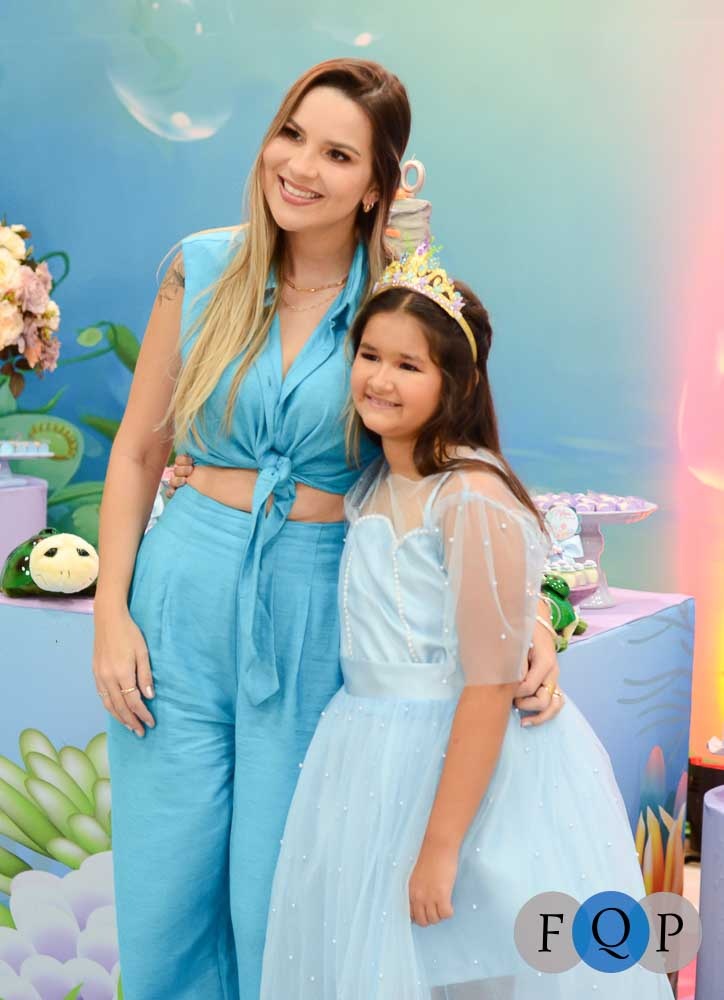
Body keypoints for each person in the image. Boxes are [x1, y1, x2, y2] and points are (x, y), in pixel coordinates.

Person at [92, 59, 562, 1000]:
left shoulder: (398, 303)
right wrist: (111, 613)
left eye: (338, 154)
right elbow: (140, 453)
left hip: (320, 610)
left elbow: (462, 470)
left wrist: (535, 619)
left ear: (378, 187)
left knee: (284, 900)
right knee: (163, 892)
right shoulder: (202, 266)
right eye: (293, 134)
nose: (300, 166)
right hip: (180, 592)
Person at [258, 243, 674, 999]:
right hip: (366, 753)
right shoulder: (373, 483)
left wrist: (441, 846)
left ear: (456, 381)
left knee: (473, 963)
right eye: (369, 356)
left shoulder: (470, 494)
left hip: (456, 756)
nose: (380, 379)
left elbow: (486, 683)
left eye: (409, 365)